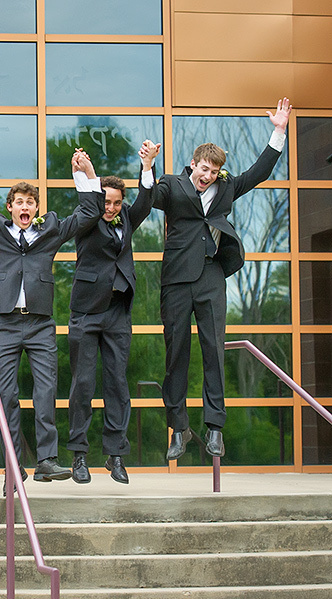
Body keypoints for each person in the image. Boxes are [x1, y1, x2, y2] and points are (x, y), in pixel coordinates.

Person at [0, 152, 102, 493]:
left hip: (41, 326)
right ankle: (13, 465)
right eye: (19, 202)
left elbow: (88, 213)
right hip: (7, 326)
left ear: (36, 208)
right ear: (10, 207)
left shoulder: (50, 232)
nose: (24, 207)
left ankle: (45, 461)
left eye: (30, 202)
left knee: (45, 392)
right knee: (7, 396)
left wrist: (86, 175)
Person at [155, 98, 292, 461]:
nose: (207, 176)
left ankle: (215, 428)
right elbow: (149, 195)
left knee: (213, 349)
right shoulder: (172, 185)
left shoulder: (227, 188)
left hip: (212, 275)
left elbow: (259, 172)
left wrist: (278, 131)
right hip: (177, 280)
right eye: (203, 168)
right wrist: (146, 166)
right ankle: (178, 428)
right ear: (193, 164)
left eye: (213, 172)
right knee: (177, 353)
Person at [66, 140, 161, 485]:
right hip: (87, 311)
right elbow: (88, 203)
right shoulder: (88, 219)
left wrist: (147, 166)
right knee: (84, 383)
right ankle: (79, 455)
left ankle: (116, 454)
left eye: (116, 203)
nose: (111, 207)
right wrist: (88, 173)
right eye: (106, 201)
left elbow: (147, 201)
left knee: (118, 384)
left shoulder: (126, 221)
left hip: (118, 312)